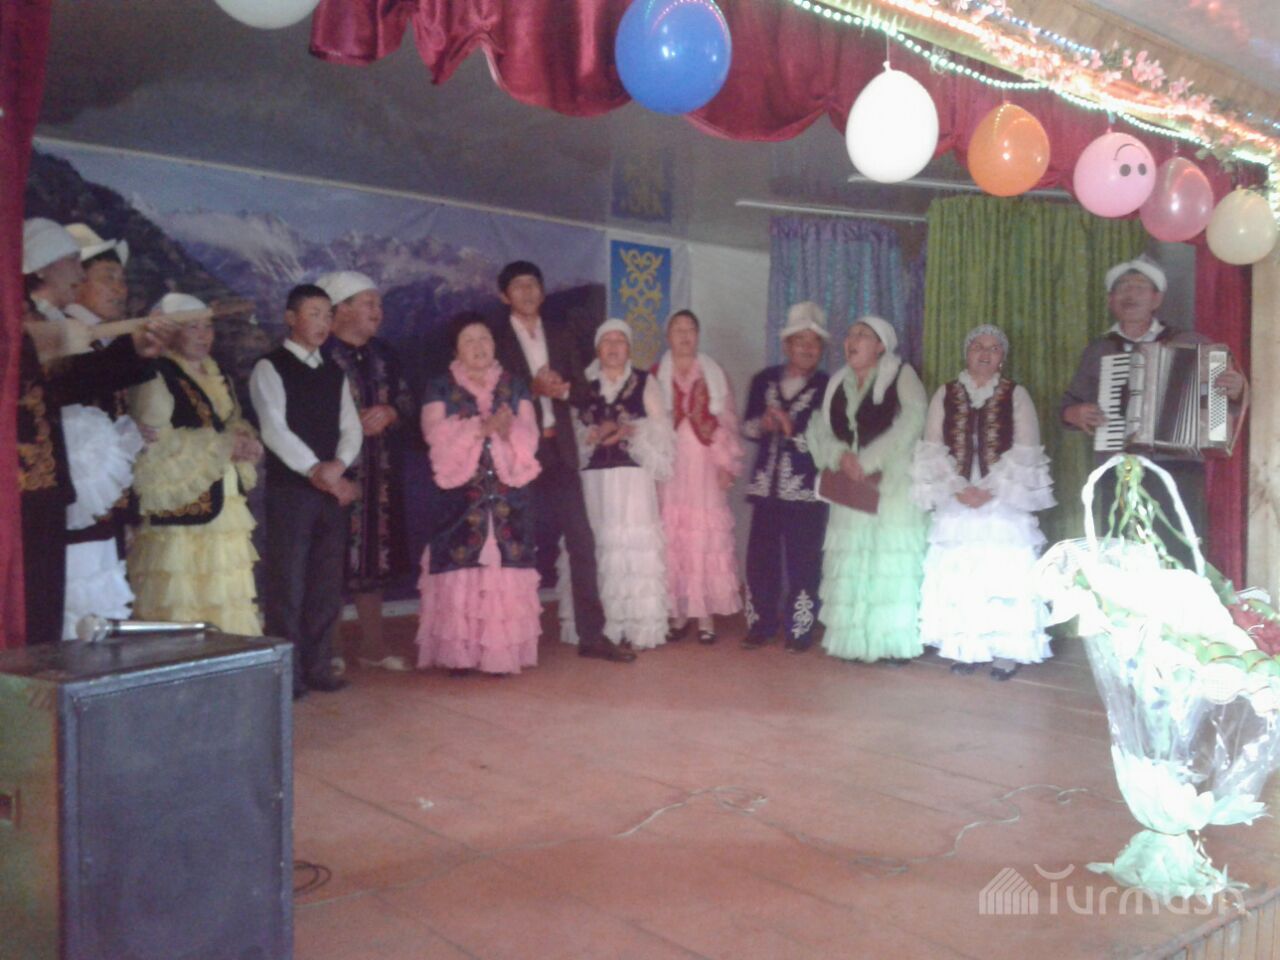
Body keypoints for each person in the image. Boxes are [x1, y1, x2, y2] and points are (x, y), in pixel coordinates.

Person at [18, 218, 173, 645]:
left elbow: (73, 380)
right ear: (43, 266)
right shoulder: (25, 325)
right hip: (31, 489)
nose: (79, 271)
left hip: (52, 490)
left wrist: (135, 351)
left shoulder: (46, 322)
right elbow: (66, 384)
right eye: (71, 260)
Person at [489, 260, 634, 662]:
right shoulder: (496, 339)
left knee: (582, 540)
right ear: (504, 296)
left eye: (533, 284)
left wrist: (563, 390)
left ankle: (593, 637)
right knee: (517, 544)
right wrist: (532, 389)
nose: (528, 292)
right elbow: (491, 393)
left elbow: (584, 393)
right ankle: (509, 639)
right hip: (519, 455)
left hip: (560, 452)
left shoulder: (559, 333)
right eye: (518, 286)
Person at [1061, 257, 1246, 566]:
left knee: (1179, 551)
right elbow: (1067, 406)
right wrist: (1076, 413)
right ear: (1110, 300)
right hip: (1119, 467)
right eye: (1122, 288)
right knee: (1120, 551)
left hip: (1179, 469)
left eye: (1139, 288)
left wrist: (1235, 388)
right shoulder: (1099, 350)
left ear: (1156, 299)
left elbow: (1224, 400)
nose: (1130, 295)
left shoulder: (1192, 343)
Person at [911, 325, 1055, 680]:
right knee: (962, 572)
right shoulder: (946, 393)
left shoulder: (1016, 393)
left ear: (1002, 357)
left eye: (993, 348)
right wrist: (957, 487)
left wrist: (989, 489)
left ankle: (1007, 651)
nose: (985, 353)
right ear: (967, 352)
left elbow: (1027, 445)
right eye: (978, 346)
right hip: (956, 497)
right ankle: (966, 646)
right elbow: (931, 444)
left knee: (1002, 572)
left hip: (1003, 498)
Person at [249, 284, 362, 699]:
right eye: (313, 314)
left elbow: (351, 426)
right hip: (291, 493)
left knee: (325, 586)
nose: (322, 323)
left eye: (327, 315)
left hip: (329, 493)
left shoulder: (333, 370)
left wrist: (338, 467)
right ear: (290, 318)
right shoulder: (270, 367)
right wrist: (315, 469)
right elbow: (273, 429)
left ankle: (318, 667)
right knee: (288, 586)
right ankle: (287, 675)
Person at [127, 294, 264, 635]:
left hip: (224, 499)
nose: (204, 336)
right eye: (193, 328)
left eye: (208, 327)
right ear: (172, 332)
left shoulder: (217, 373)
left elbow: (229, 422)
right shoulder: (158, 373)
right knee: (184, 590)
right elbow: (153, 440)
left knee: (225, 587)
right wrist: (222, 445)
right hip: (183, 501)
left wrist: (243, 440)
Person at [415, 312, 542, 674]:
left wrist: (506, 431)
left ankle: (500, 654)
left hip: (506, 499)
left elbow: (530, 435)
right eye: (469, 340)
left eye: (484, 338)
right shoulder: (440, 387)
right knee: (462, 567)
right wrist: (480, 427)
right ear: (456, 349)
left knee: (504, 565)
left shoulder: (515, 386)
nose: (478, 347)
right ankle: (461, 656)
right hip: (460, 500)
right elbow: (434, 436)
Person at [804, 316, 928, 663]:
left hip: (892, 485)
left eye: (862, 335)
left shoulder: (902, 375)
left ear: (881, 345)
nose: (852, 340)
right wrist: (840, 455)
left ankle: (891, 643)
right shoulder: (837, 382)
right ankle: (852, 640)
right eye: (850, 334)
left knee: (888, 562)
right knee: (851, 560)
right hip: (851, 486)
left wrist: (869, 459)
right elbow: (821, 428)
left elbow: (914, 419)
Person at [316, 270, 415, 673]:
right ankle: (329, 651)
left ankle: (374, 646)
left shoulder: (385, 354)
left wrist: (390, 412)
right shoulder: (319, 354)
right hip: (331, 478)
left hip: (379, 476)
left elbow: (408, 401)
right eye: (368, 303)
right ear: (340, 310)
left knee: (373, 561)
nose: (378, 311)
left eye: (379, 303)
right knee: (329, 562)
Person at [576, 318, 674, 651]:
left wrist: (632, 432)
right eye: (607, 341)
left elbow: (662, 429)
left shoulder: (645, 381)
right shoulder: (586, 384)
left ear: (629, 348)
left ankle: (638, 626)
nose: (614, 347)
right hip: (595, 480)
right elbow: (573, 430)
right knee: (600, 546)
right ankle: (603, 628)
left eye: (620, 341)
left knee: (634, 546)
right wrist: (590, 435)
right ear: (597, 349)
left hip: (632, 478)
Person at [740, 302, 831, 652]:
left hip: (807, 490)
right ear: (786, 345)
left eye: (814, 342)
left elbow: (830, 441)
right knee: (760, 559)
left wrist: (793, 431)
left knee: (804, 562)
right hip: (766, 488)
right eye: (800, 341)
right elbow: (747, 427)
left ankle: (800, 629)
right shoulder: (763, 380)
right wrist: (764, 424)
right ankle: (760, 625)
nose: (807, 348)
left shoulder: (828, 387)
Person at [656, 309, 744, 644]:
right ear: (668, 336)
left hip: (706, 464)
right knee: (674, 535)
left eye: (690, 329)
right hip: (671, 466)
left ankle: (705, 616)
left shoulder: (714, 373)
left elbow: (728, 421)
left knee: (703, 536)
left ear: (698, 335)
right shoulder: (656, 374)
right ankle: (678, 612)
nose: (684, 335)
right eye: (677, 329)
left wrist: (726, 465)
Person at [64, 222, 129, 348]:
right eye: (108, 278)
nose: (121, 290)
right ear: (75, 281)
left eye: (123, 280)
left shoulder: (111, 338)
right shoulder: (60, 331)